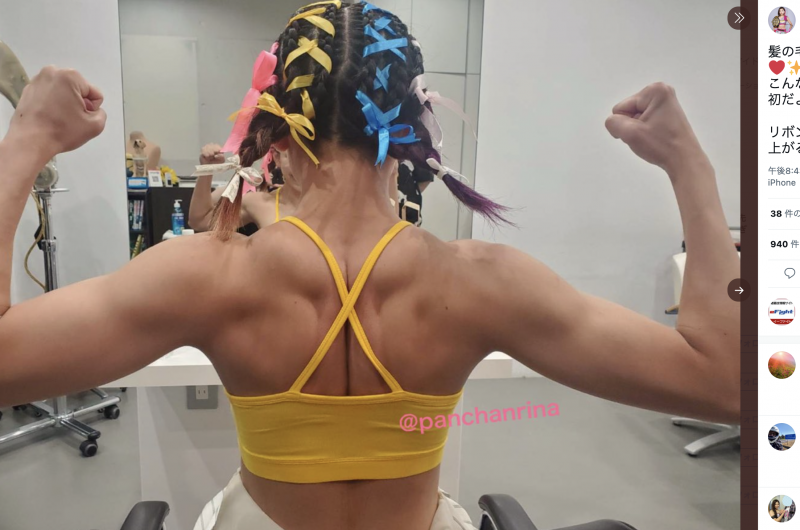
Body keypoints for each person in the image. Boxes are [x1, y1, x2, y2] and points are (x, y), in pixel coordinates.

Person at [0, 3, 738, 530]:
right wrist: (689, 165)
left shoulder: (206, 277)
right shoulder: (480, 282)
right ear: (416, 134)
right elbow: (726, 382)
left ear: (274, 133)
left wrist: (28, 137)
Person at [188, 143, 299, 232]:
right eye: (292, 156)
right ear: (277, 158)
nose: (301, 168)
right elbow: (200, 221)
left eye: (307, 158)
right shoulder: (259, 202)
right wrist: (208, 169)